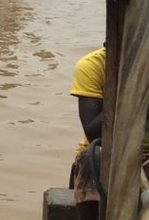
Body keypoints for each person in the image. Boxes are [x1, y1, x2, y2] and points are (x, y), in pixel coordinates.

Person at [69, 47, 106, 220]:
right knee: (94, 158)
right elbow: (93, 132)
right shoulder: (93, 65)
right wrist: (132, 85)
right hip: (106, 152)